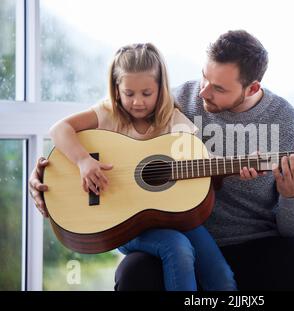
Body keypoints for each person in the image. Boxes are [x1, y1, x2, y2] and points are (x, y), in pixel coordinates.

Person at [30, 31, 294, 291]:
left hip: (259, 245)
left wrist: (293, 197)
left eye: (218, 88)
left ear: (252, 87)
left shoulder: (291, 128)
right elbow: (105, 134)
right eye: (203, 78)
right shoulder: (169, 101)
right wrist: (57, 176)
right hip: (177, 235)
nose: (202, 93)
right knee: (136, 273)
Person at [43, 42, 247, 291]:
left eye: (146, 93)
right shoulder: (107, 114)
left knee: (222, 278)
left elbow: (198, 160)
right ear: (116, 89)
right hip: (125, 223)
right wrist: (83, 161)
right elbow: (59, 129)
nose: (137, 102)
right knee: (178, 248)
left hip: (175, 216)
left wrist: (239, 165)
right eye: (129, 93)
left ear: (161, 89)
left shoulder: (173, 120)